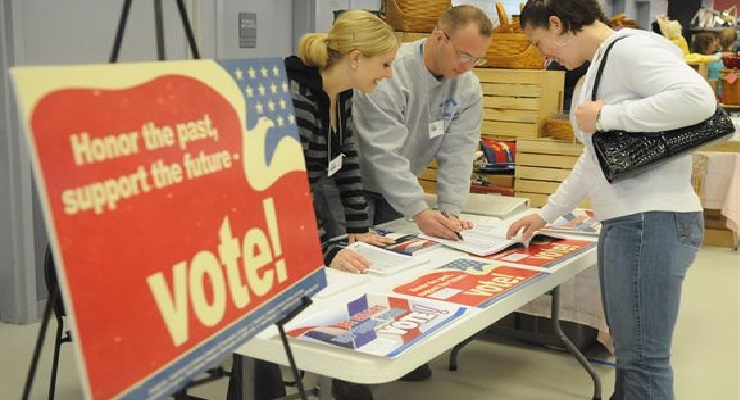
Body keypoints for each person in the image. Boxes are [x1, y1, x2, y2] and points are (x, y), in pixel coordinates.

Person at [508, 1, 714, 399]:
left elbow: (698, 99)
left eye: (539, 42)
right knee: (633, 358)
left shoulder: (629, 49)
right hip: (633, 222)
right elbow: (595, 158)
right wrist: (546, 213)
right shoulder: (601, 66)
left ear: (557, 23)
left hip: (648, 221)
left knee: (643, 362)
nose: (543, 55)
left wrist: (607, 117)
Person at [227, 10, 399, 400]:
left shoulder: (342, 93)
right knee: (268, 316)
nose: (388, 74)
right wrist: (324, 248)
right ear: (355, 57)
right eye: (384, 64)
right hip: (254, 220)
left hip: (283, 214)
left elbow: (348, 160)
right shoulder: (295, 97)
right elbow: (290, 192)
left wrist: (358, 228)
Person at [353, 5, 493, 243]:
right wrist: (419, 210)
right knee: (356, 259)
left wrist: (450, 212)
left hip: (401, 188)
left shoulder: (468, 86)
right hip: (354, 185)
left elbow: (459, 153)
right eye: (464, 55)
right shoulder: (391, 71)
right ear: (439, 37)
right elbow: (382, 151)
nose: (467, 66)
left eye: (477, 59)